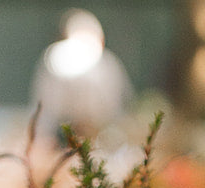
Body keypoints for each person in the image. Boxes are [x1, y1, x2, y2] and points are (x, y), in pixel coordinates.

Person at [30, 10, 133, 140]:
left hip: (101, 135)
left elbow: (120, 105)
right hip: (59, 134)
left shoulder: (109, 66)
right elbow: (44, 106)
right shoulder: (55, 61)